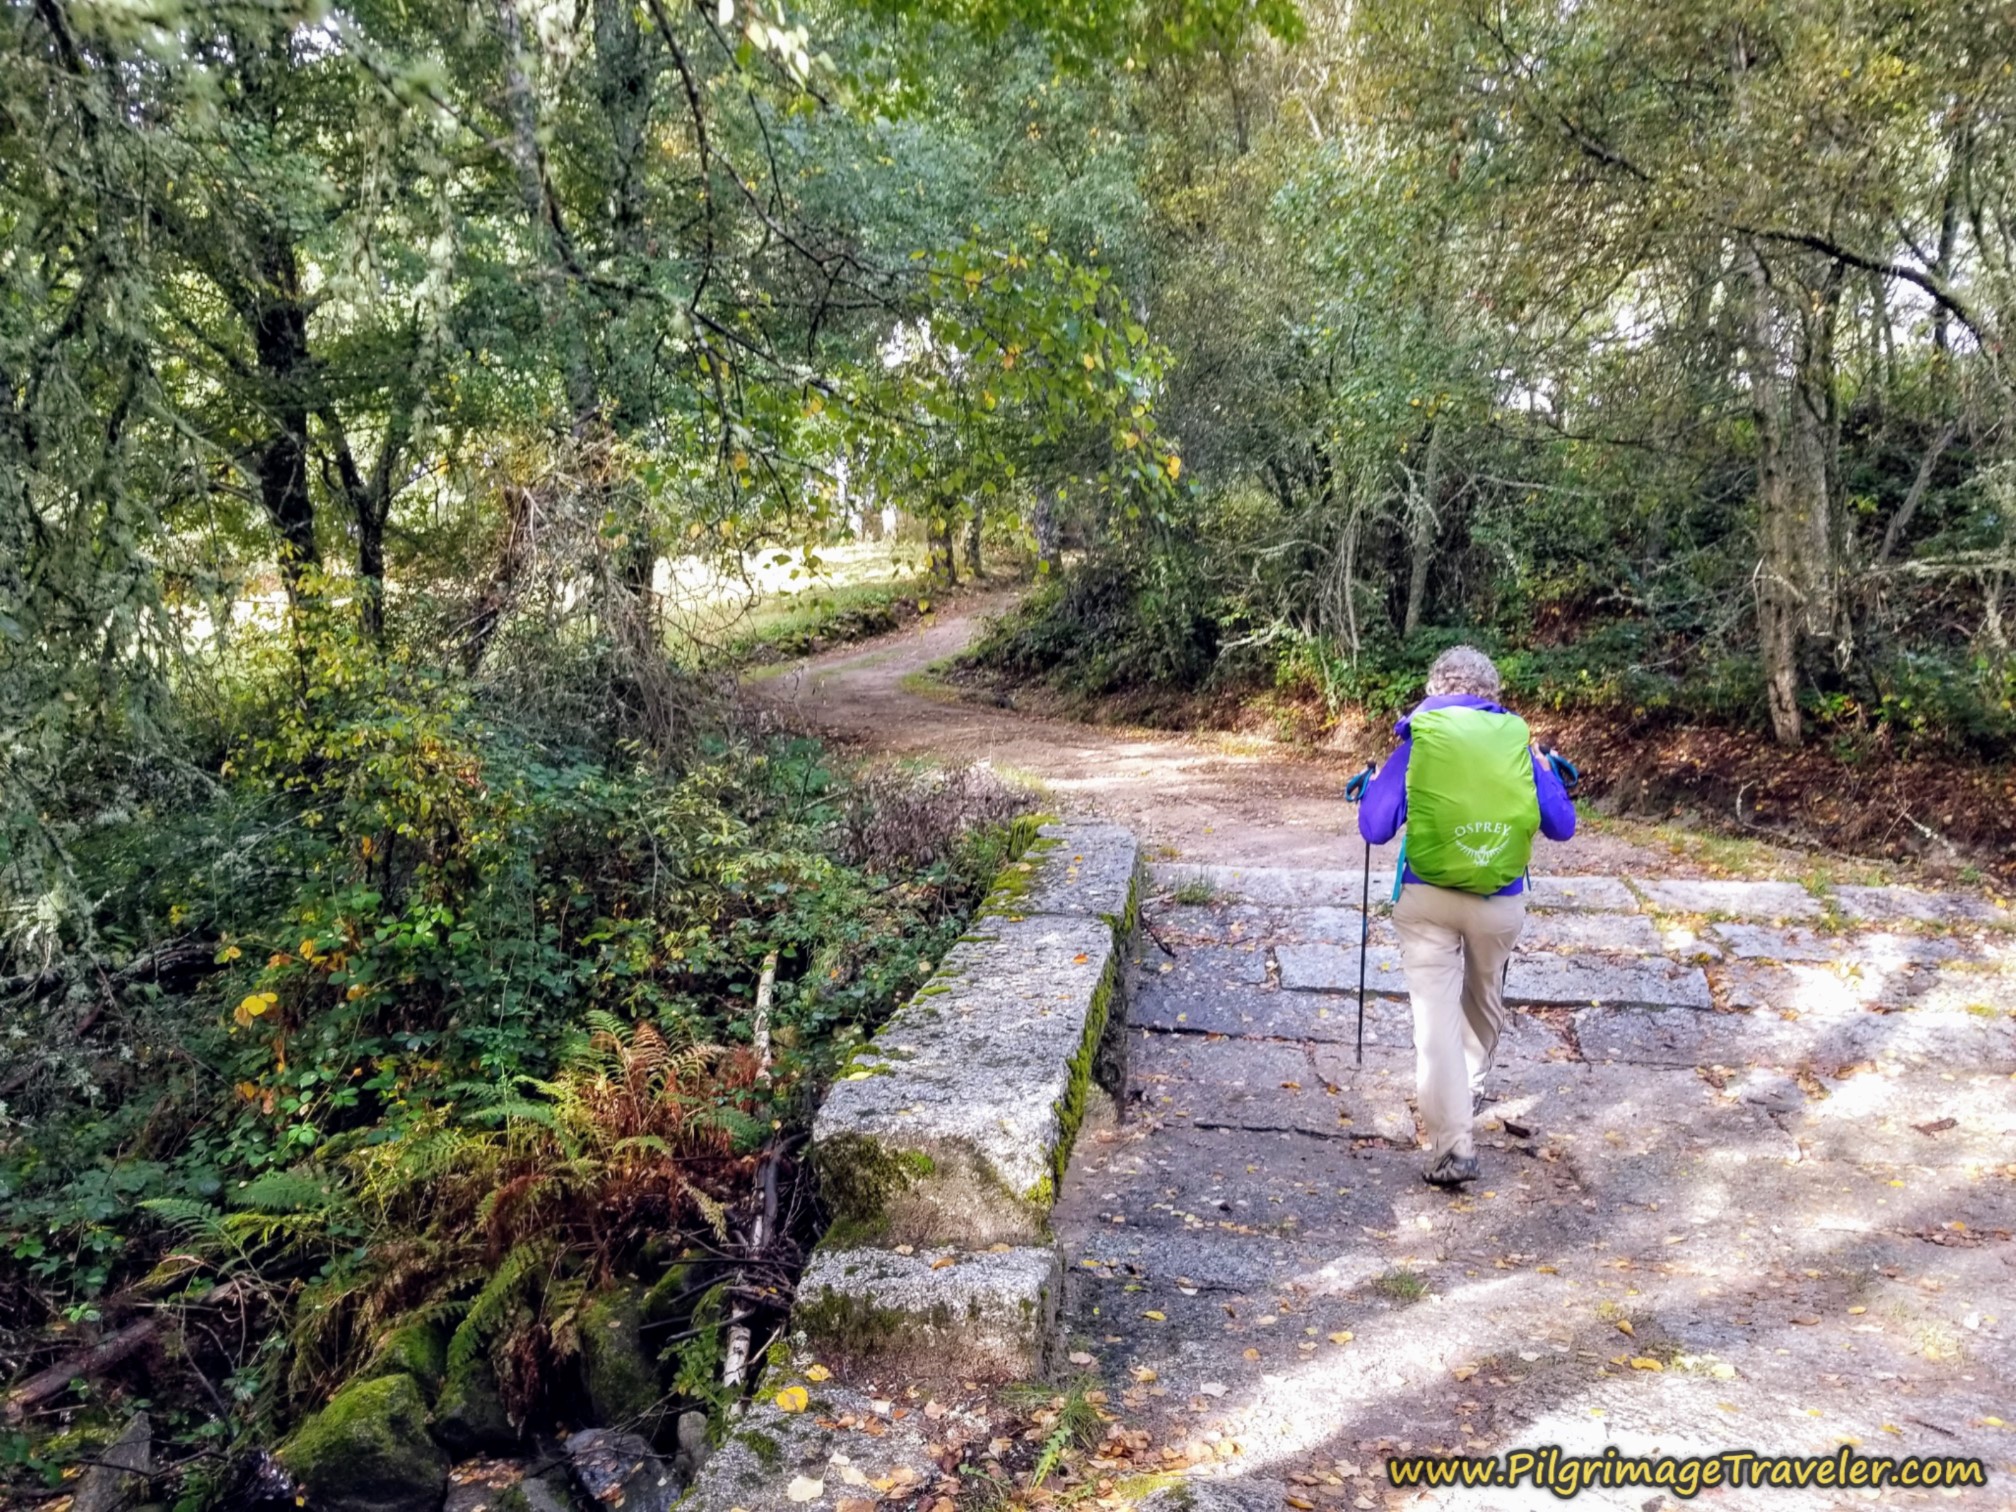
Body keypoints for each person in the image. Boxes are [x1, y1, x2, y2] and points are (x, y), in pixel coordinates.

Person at [1356, 645, 1576, 1187]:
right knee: (1483, 998)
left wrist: (1373, 785)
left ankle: (1453, 1144)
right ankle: (1471, 1081)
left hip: (1425, 897)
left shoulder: (1419, 739)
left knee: (1435, 1026)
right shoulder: (1517, 746)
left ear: (1435, 690)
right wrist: (1548, 773)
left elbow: (1376, 828)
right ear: (1493, 696)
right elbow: (1562, 825)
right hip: (1498, 903)